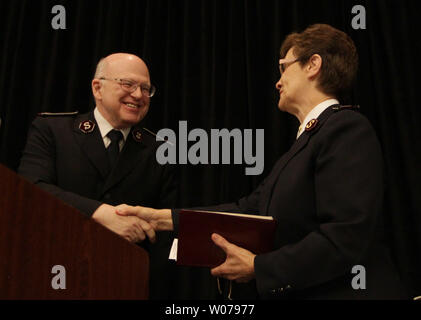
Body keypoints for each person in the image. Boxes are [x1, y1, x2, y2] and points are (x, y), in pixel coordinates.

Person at [115, 24, 408, 299]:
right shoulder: (306, 141)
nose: (278, 81)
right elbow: (250, 209)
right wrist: (162, 218)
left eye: (284, 67)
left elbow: (346, 236)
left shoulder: (346, 128)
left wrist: (259, 267)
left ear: (313, 65)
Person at [18, 53, 178, 299]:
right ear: (98, 87)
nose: (138, 95)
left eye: (146, 88)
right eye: (128, 84)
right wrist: (102, 214)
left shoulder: (160, 150)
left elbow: (165, 235)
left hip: (124, 284)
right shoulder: (52, 131)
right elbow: (31, 190)